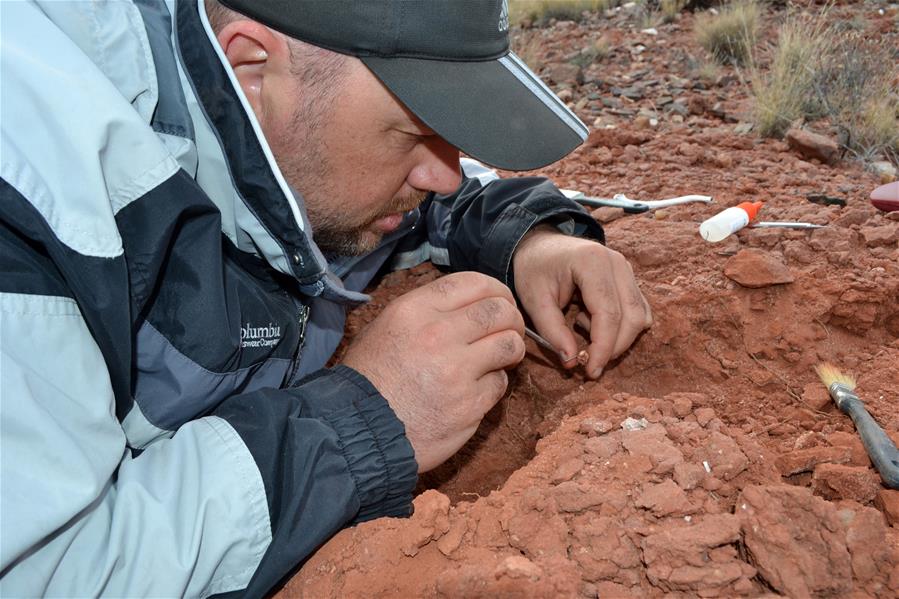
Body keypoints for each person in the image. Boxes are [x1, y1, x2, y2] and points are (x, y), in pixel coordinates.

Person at [0, 0, 651, 596]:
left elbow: (444, 195)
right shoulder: (35, 192)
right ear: (252, 69)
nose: (443, 172)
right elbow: (49, 570)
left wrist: (531, 239)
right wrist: (364, 418)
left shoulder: (298, 129)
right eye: (412, 133)